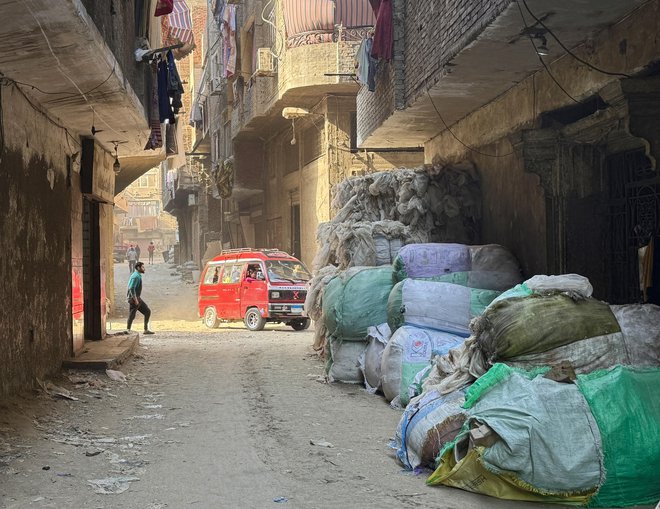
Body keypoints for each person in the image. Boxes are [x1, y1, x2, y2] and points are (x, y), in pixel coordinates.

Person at [126, 262, 154, 334]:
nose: (144, 269)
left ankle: (145, 330)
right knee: (132, 314)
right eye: (143, 267)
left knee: (147, 311)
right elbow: (131, 288)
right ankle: (128, 330)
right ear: (138, 268)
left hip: (137, 298)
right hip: (133, 298)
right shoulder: (136, 276)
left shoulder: (137, 275)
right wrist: (135, 299)